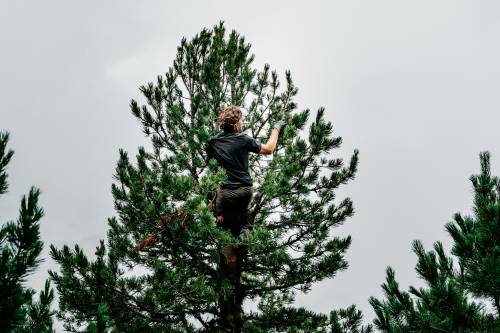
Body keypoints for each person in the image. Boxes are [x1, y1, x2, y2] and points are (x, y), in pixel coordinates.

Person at [206, 105, 286, 241]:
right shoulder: (243, 139)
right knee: (244, 220)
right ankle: (244, 232)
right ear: (237, 123)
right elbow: (268, 149)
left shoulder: (213, 142)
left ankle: (223, 227)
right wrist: (276, 127)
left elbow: (212, 167)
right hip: (245, 191)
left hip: (224, 195)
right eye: (241, 121)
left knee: (221, 218)